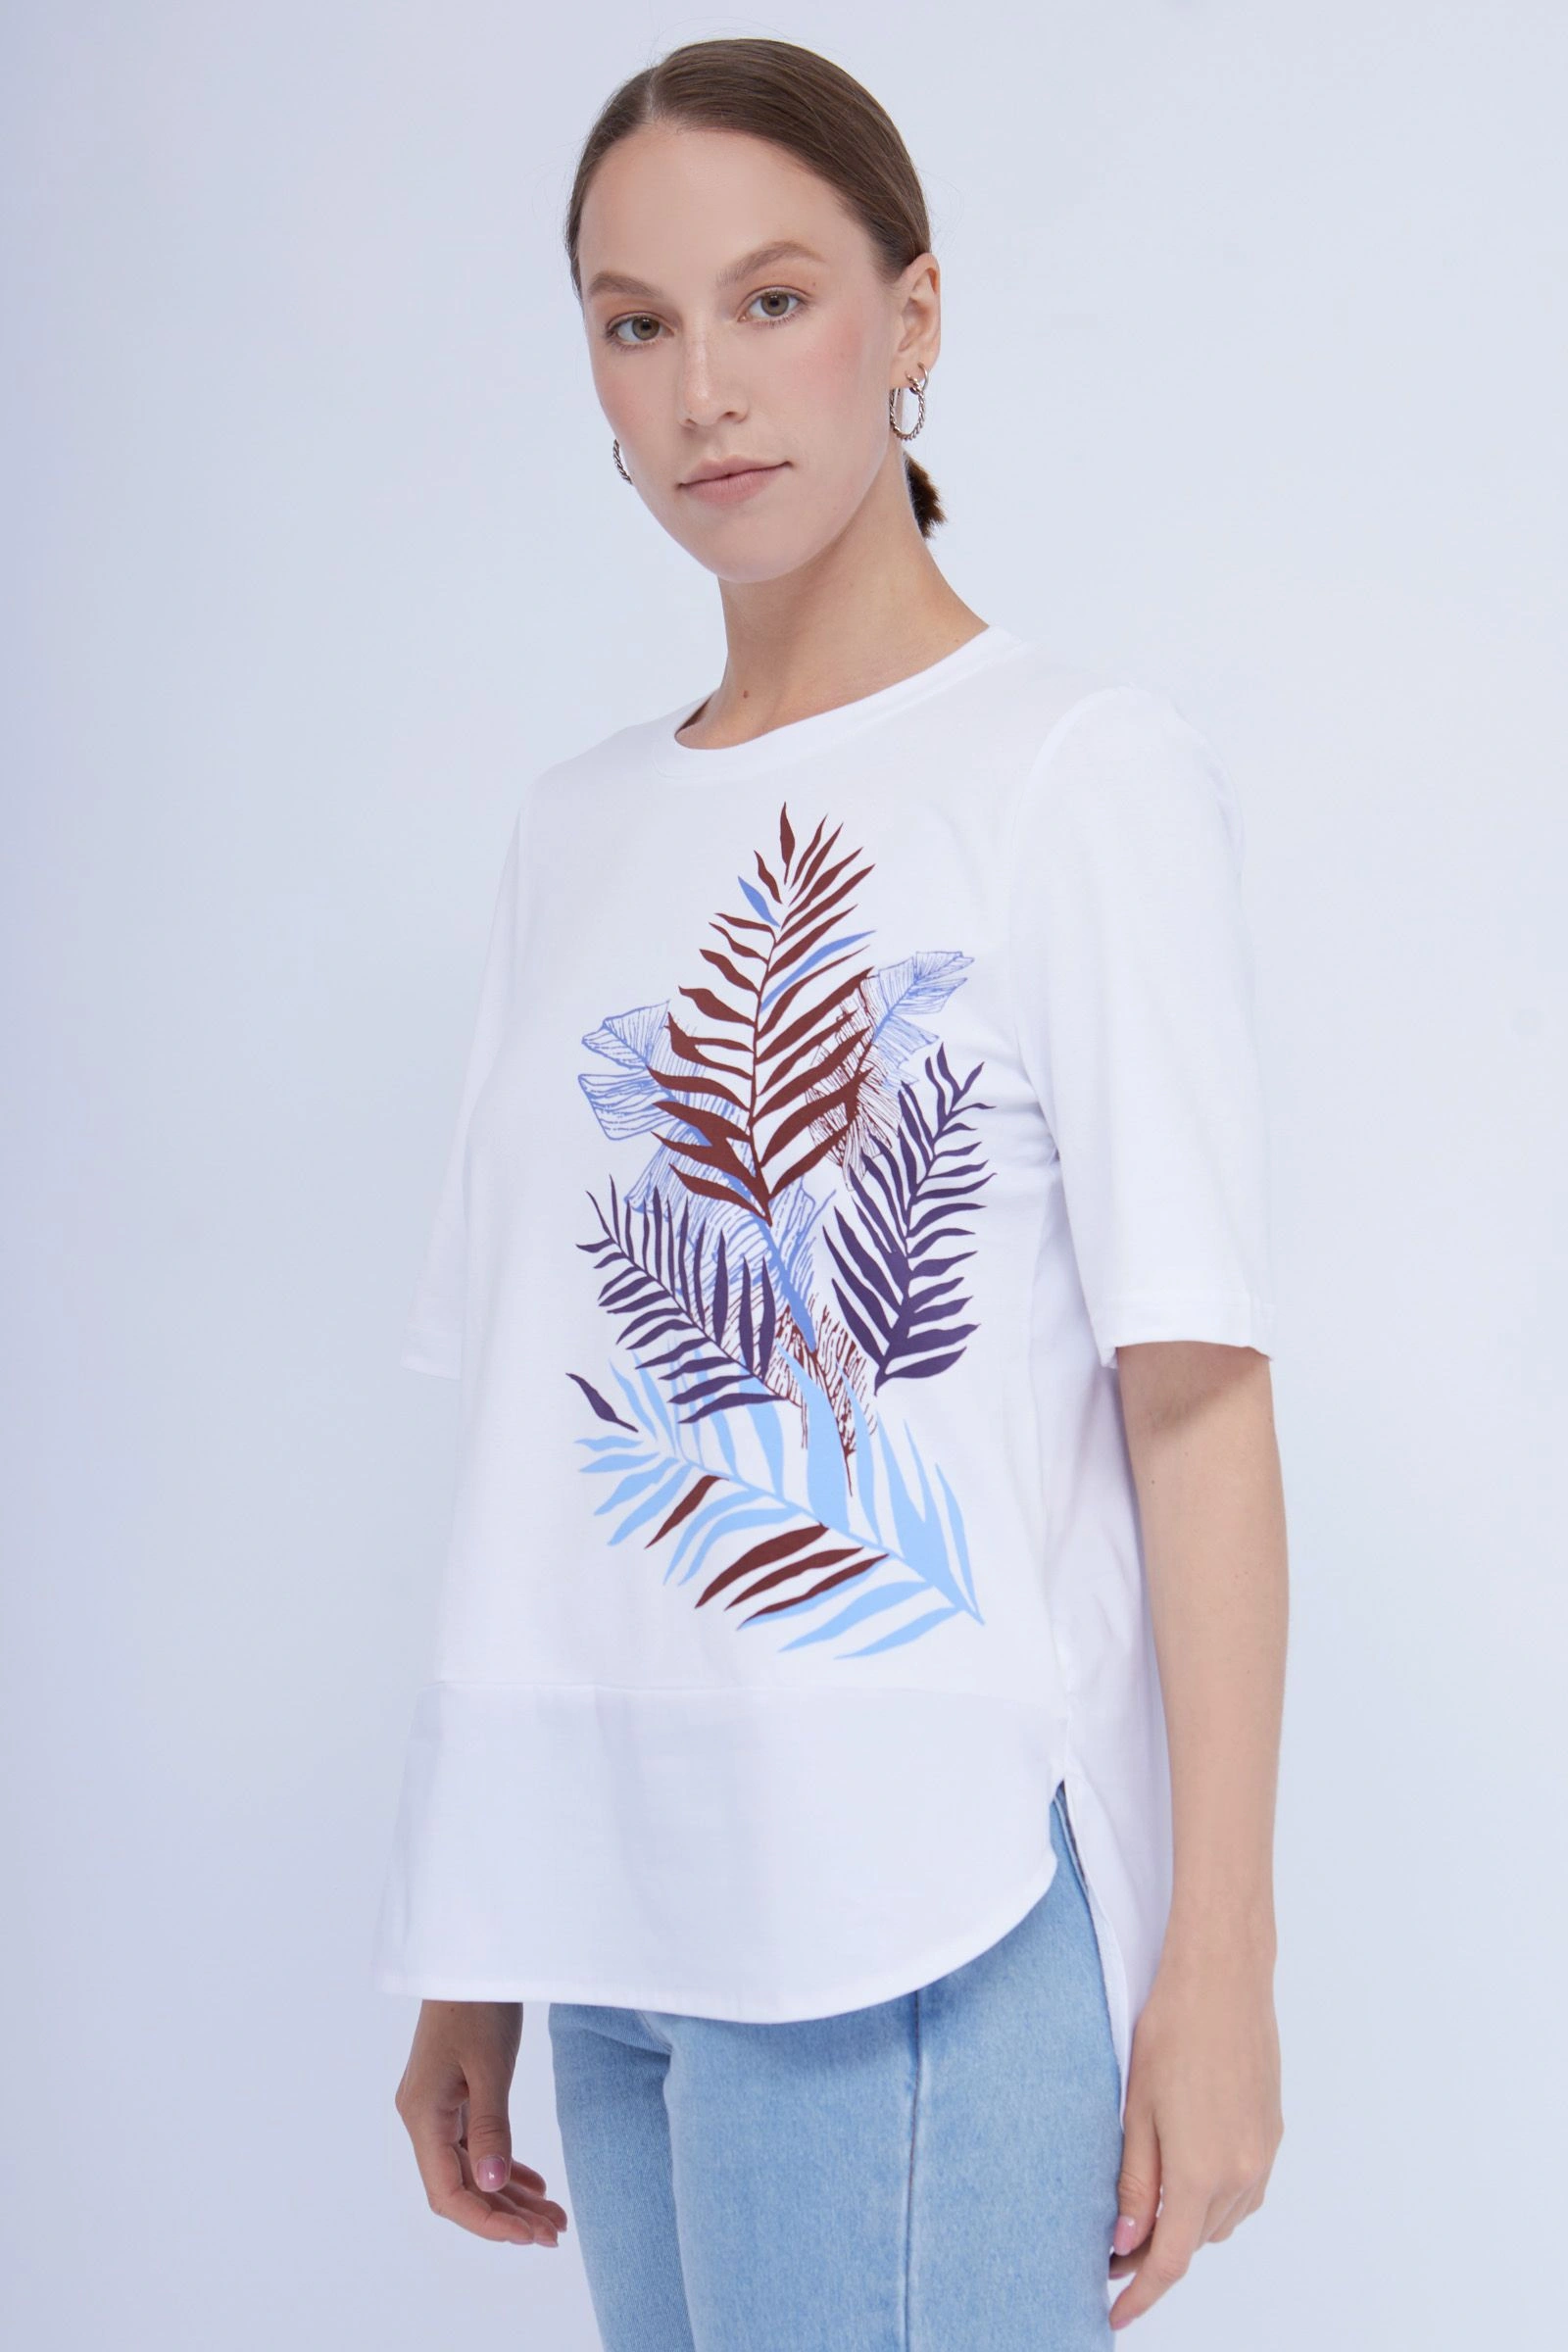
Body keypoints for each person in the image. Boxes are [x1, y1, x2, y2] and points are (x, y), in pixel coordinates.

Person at [377, 34, 1288, 2349]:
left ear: (913, 315)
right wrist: (479, 1942)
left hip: (913, 1917)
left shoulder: (1070, 776)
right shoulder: (574, 832)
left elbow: (1191, 1399)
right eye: (635, 322)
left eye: (771, 300)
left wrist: (1217, 1963)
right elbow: (539, 1450)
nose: (703, 389)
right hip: (616, 1939)